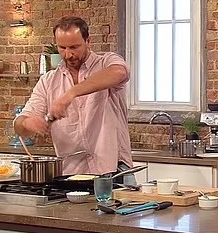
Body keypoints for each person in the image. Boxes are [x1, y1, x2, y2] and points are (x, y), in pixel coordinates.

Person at [14, 16, 133, 178]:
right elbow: (19, 125)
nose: (68, 54)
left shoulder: (107, 63)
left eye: (74, 47)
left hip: (114, 171)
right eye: (62, 48)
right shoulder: (48, 81)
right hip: (71, 175)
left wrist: (69, 94)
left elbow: (120, 72)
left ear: (88, 41)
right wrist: (27, 123)